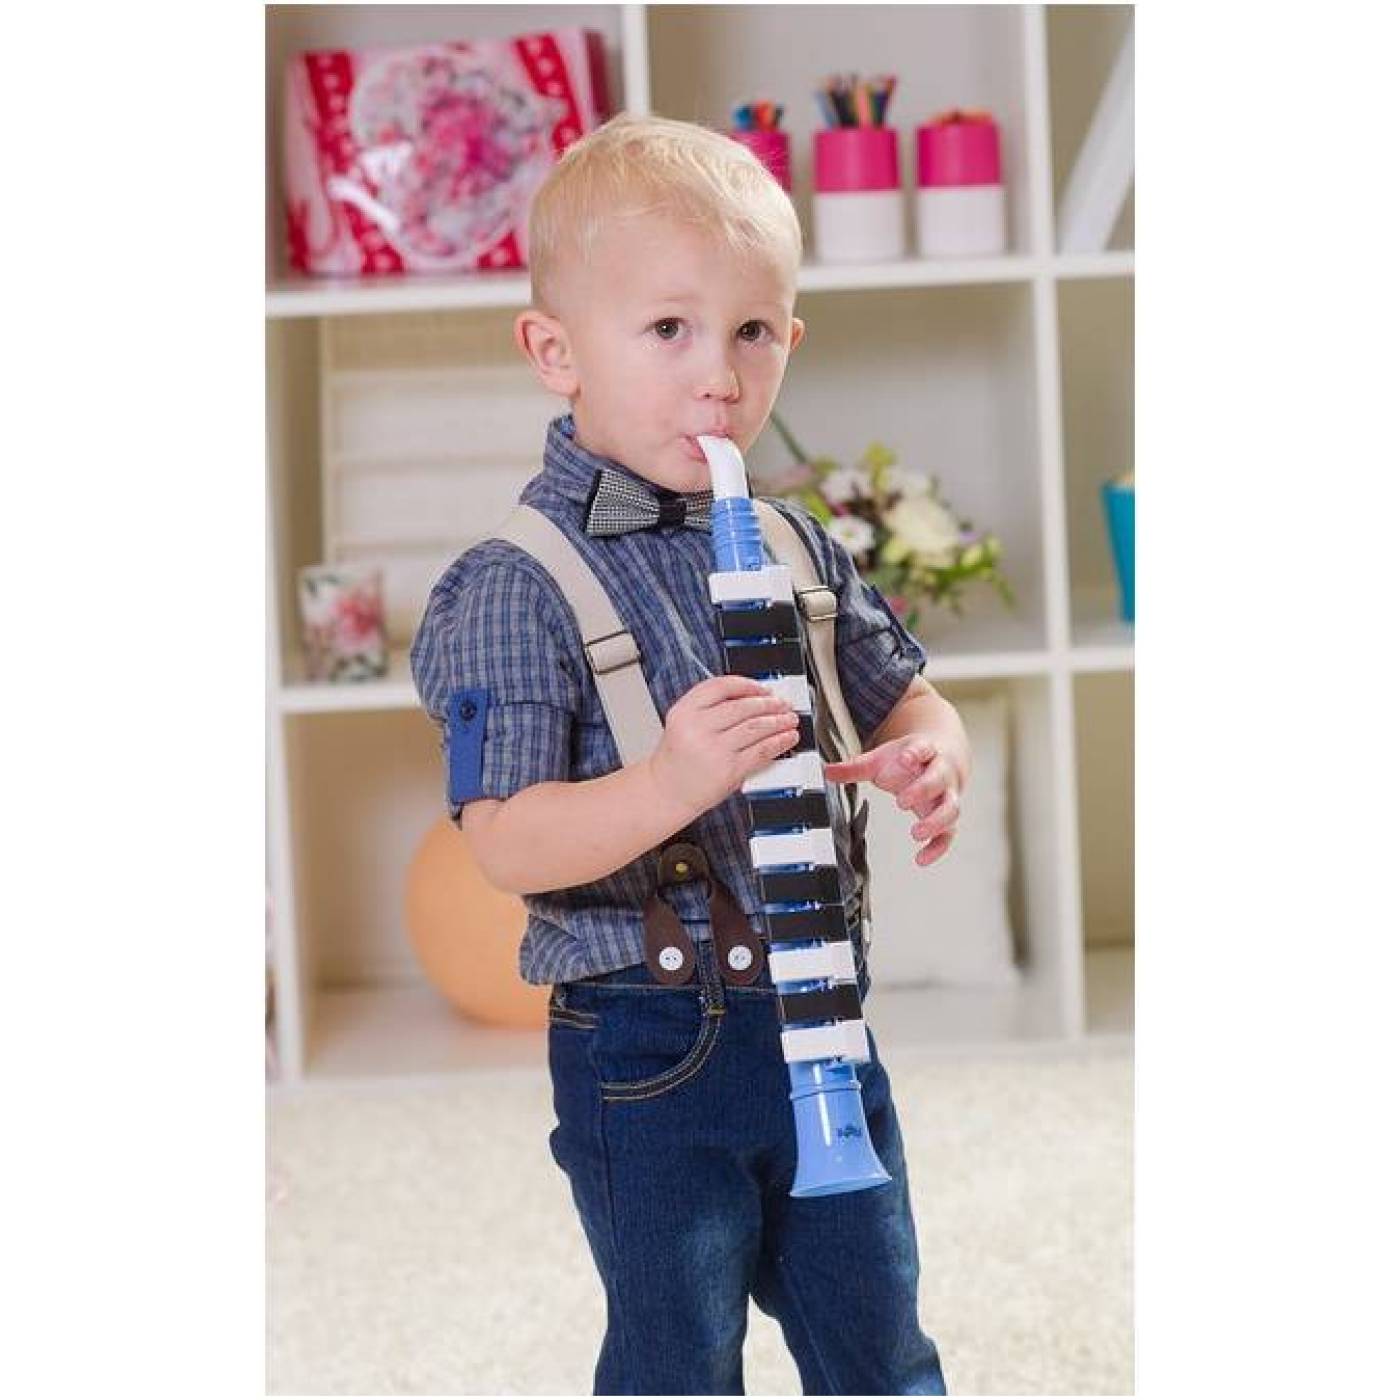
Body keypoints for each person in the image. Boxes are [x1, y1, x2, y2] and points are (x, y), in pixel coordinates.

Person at [411, 113, 971, 1396]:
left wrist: (930, 755)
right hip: (649, 1040)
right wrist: (667, 781)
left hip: (821, 1012)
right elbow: (504, 840)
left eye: (751, 331)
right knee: (676, 1357)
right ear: (555, 351)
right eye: (667, 328)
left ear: (790, 341)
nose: (717, 375)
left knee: (881, 1342)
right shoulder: (513, 583)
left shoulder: (795, 542)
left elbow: (908, 701)